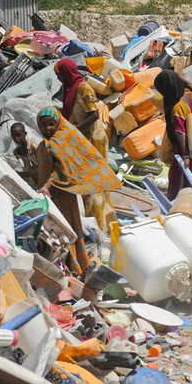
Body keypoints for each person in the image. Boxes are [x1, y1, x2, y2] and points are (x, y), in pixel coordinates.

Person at [32, 107, 121, 276]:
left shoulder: (61, 139)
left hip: (61, 194)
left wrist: (47, 186)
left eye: (51, 124)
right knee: (58, 231)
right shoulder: (47, 143)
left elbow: (65, 171)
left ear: (58, 123)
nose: (48, 128)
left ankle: (76, 267)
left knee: (68, 230)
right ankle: (72, 265)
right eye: (44, 125)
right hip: (51, 195)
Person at [54, 57, 117, 231]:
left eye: (59, 74)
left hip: (93, 140)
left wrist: (74, 129)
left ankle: (97, 223)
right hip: (82, 139)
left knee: (93, 182)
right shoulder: (70, 88)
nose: (58, 78)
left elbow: (94, 115)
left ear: (66, 72)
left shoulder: (83, 88)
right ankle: (104, 220)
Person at [153, 70, 192, 200]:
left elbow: (180, 132)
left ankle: (183, 206)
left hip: (186, 148)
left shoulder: (177, 107)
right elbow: (179, 77)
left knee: (181, 182)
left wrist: (186, 155)